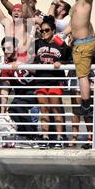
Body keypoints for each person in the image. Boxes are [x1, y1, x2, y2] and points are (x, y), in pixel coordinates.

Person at [62, 0, 95, 116]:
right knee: (81, 74)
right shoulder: (75, 5)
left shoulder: (85, 2)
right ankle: (86, 101)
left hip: (84, 44)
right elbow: (72, 25)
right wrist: (61, 35)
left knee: (82, 75)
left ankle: (86, 105)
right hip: (77, 44)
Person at [34, 16, 72, 149]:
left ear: (53, 30)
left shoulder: (60, 43)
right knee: (43, 109)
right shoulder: (37, 43)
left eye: (47, 30)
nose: (44, 33)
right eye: (42, 30)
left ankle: (59, 137)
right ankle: (45, 137)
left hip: (55, 80)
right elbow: (27, 55)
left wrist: (60, 62)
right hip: (41, 80)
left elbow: (71, 58)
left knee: (55, 108)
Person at [0, 36, 37, 149]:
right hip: (20, 93)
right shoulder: (6, 65)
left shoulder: (25, 54)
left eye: (8, 48)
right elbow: (5, 87)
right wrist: (2, 110)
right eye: (4, 49)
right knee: (12, 110)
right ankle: (25, 136)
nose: (6, 51)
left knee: (17, 106)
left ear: (15, 47)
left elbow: (36, 70)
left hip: (34, 89)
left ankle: (33, 136)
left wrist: (21, 64)